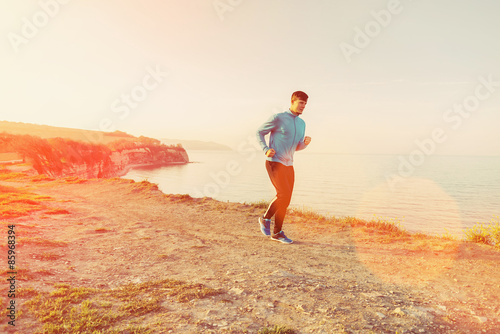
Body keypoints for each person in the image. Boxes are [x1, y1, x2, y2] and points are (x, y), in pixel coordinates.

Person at [256, 91, 311, 244]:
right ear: (292, 101)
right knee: (283, 194)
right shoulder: (278, 118)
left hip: (289, 164)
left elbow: (296, 147)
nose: (303, 106)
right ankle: (265, 218)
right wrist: (265, 148)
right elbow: (259, 132)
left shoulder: (302, 124)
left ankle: (277, 232)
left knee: (286, 200)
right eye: (301, 103)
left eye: (305, 104)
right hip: (274, 161)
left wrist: (305, 144)